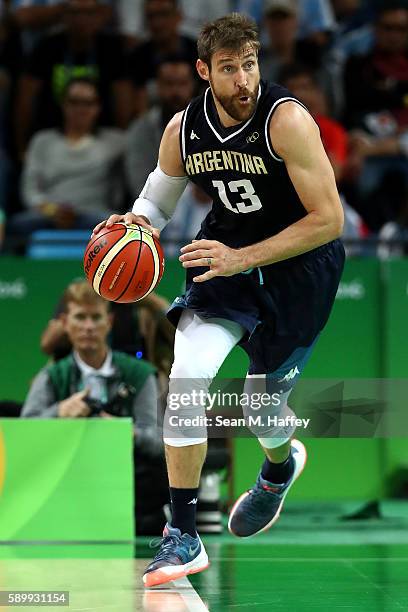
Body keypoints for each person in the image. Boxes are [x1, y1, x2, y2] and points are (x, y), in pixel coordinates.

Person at [93, 13, 345, 587]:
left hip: (300, 267)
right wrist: (133, 227)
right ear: (204, 72)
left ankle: (279, 469)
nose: (243, 80)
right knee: (187, 377)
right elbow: (157, 198)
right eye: (228, 69)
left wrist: (245, 258)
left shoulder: (287, 121)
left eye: (250, 64)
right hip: (225, 253)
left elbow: (329, 220)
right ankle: (182, 535)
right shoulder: (184, 129)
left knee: (260, 409)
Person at [21, 280, 169, 535]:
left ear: (108, 322)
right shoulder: (52, 376)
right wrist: (58, 413)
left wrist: (128, 433)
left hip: (129, 495)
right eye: (80, 317)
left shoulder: (140, 375)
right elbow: (22, 438)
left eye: (95, 317)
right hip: (66, 491)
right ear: (66, 324)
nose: (88, 326)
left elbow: (159, 443)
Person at [9, 77, 125, 235]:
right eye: (74, 102)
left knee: (119, 226)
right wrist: (52, 210)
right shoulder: (42, 141)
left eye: (88, 103)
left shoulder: (116, 141)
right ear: (63, 105)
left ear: (98, 107)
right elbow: (30, 190)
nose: (81, 109)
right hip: (47, 214)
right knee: (17, 225)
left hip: (96, 216)